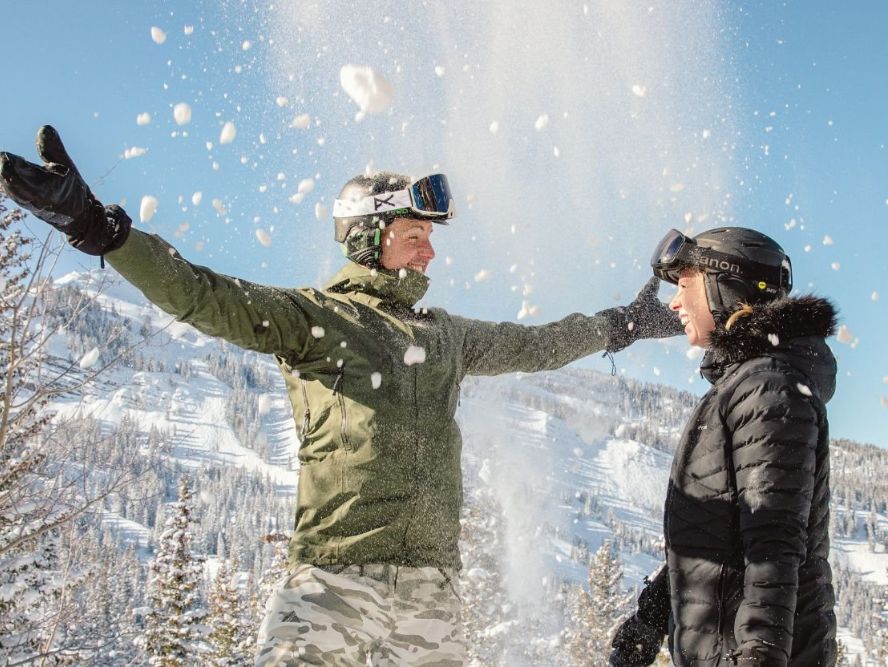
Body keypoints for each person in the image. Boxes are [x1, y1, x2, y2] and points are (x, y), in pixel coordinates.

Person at [0, 125, 682, 666]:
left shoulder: (446, 336)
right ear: (370, 236)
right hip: (332, 584)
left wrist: (622, 323)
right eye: (416, 237)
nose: (430, 255)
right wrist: (99, 228)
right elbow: (201, 294)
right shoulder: (316, 319)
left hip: (431, 596)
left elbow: (538, 344)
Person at [609, 227, 838, 667]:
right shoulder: (747, 385)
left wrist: (759, 656)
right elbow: (721, 535)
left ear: (723, 286)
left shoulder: (769, 386)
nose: (675, 302)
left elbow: (773, 545)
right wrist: (653, 616)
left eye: (685, 284)